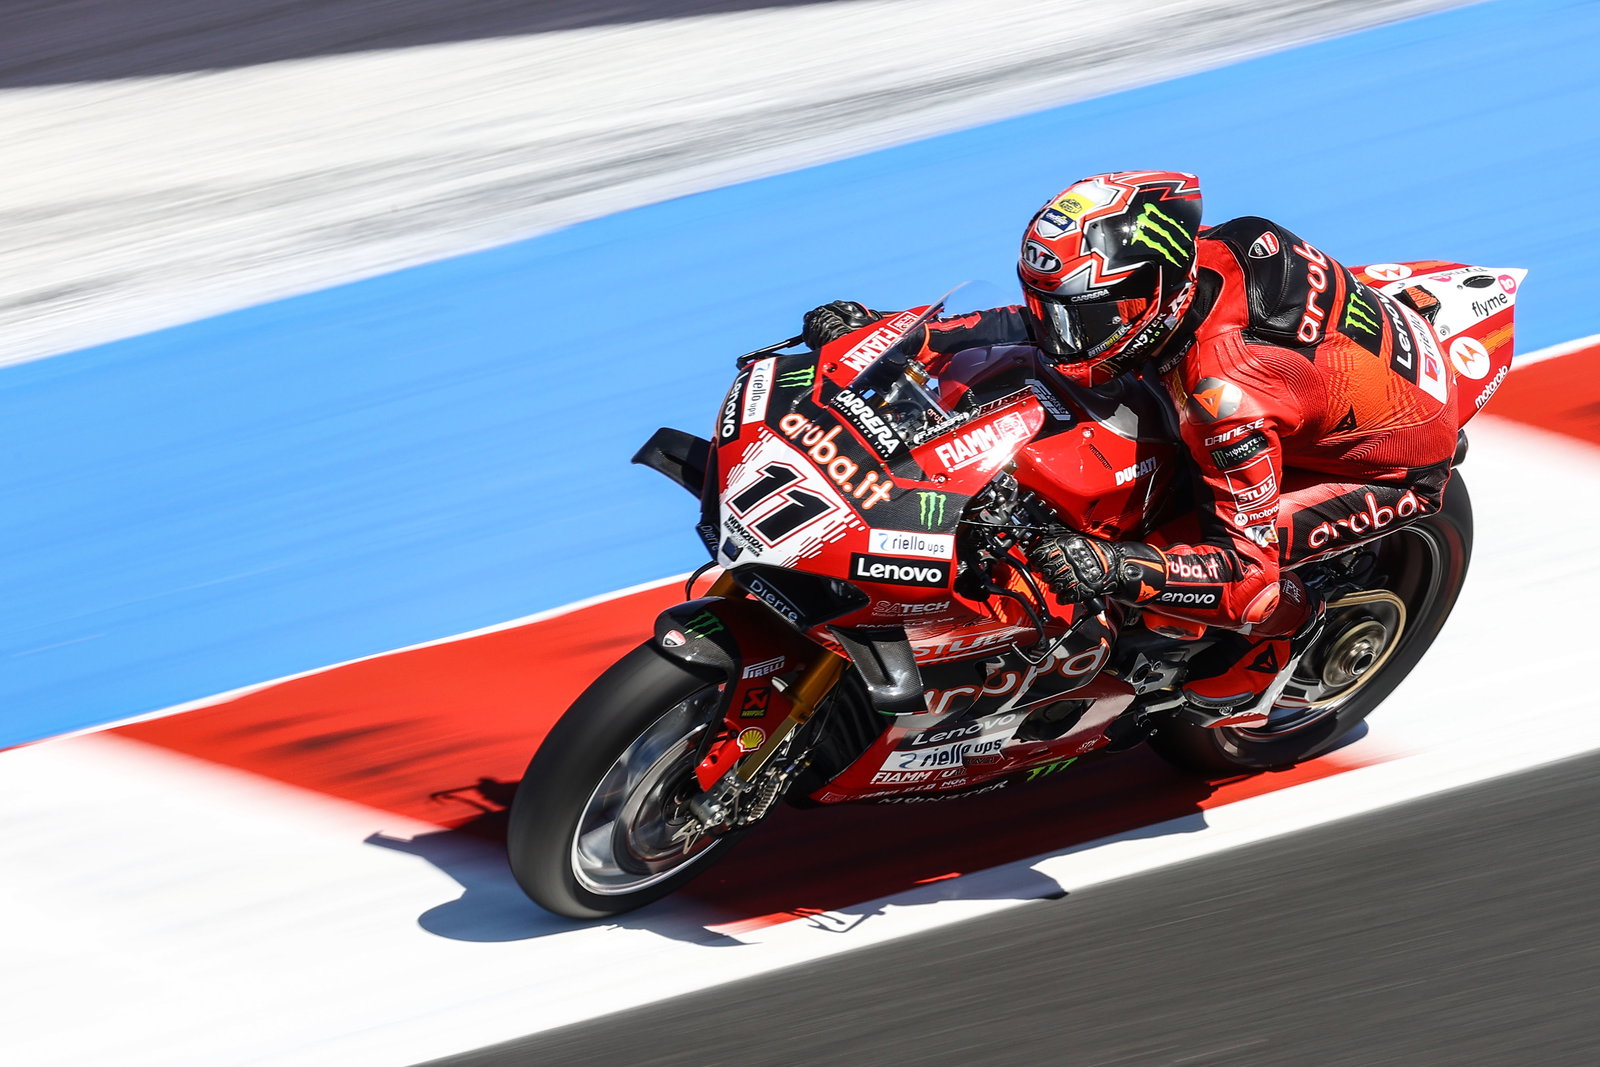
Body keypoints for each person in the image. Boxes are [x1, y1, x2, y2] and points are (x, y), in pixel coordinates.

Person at [801, 170, 1461, 727]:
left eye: (1082, 316)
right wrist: (893, 333)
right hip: (1340, 372)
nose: (1059, 331)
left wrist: (1111, 566)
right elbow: (1022, 327)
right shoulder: (1198, 259)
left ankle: (1280, 642)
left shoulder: (1222, 396)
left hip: (1387, 466)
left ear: (1156, 293)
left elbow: (1242, 570)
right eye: (1052, 305)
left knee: (1207, 579)